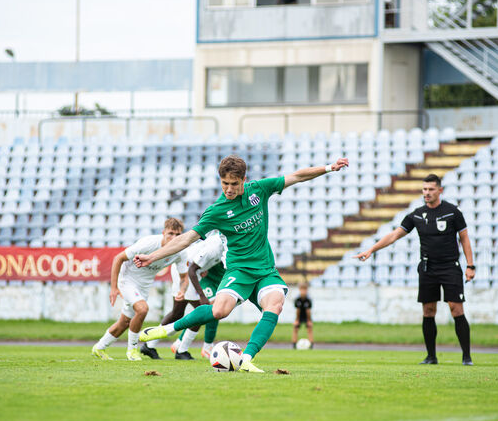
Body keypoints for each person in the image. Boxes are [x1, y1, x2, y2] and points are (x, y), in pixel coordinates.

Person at [136, 154, 349, 373]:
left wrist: (329, 168)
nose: (228, 189)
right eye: (224, 183)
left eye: (234, 184)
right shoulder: (217, 211)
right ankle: (167, 330)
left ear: (244, 180)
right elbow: (186, 238)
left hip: (265, 270)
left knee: (275, 305)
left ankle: (246, 358)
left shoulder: (259, 190)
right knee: (219, 311)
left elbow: (296, 176)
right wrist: (153, 257)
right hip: (238, 270)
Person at [355, 174, 475, 365]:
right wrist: (371, 249)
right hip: (427, 268)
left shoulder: (453, 212)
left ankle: (466, 357)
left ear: (440, 190)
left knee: (456, 309)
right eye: (424, 189)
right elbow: (394, 235)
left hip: (450, 267)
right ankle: (431, 356)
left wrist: (470, 265)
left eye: (431, 189)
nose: (427, 193)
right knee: (428, 311)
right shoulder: (417, 214)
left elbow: (465, 238)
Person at [91, 218, 188, 361]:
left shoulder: (180, 251)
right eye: (170, 234)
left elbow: (184, 277)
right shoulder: (149, 243)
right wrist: (114, 288)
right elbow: (118, 258)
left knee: (124, 322)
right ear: (163, 233)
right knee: (142, 309)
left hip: (144, 285)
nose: (174, 238)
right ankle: (132, 351)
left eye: (178, 235)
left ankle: (99, 348)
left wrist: (182, 290)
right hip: (128, 279)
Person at [141, 231, 228, 360]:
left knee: (177, 313)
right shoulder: (215, 246)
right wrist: (202, 295)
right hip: (185, 271)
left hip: (186, 270)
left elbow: (199, 262)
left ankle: (149, 345)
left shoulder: (222, 244)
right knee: (201, 312)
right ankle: (181, 350)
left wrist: (204, 268)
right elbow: (192, 269)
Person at [292, 282, 313, 348]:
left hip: (307, 316)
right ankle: (294, 345)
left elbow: (308, 311)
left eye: (305, 290)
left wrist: (309, 320)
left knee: (309, 328)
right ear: (299, 290)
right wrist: (297, 320)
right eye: (302, 289)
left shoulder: (308, 299)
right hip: (299, 316)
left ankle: (311, 345)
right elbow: (298, 310)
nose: (303, 291)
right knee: (295, 328)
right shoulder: (298, 299)